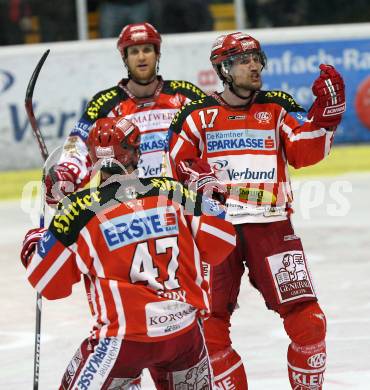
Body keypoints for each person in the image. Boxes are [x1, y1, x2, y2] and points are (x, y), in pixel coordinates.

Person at [166, 32, 346, 389]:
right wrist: (197, 176)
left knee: (309, 321)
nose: (254, 65)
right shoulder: (196, 114)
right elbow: (176, 160)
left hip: (273, 226)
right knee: (209, 325)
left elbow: (301, 151)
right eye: (243, 60)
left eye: (256, 58)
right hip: (215, 231)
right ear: (224, 68)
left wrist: (325, 120)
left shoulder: (277, 106)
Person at [20, 117, 236, 389]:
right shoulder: (173, 191)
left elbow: (49, 285)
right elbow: (221, 245)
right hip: (184, 336)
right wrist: (211, 198)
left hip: (123, 341)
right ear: (137, 151)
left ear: (92, 158)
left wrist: (36, 242)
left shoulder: (77, 210)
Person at [45, 22, 206, 206]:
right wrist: (65, 173)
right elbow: (78, 145)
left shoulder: (186, 94)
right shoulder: (105, 103)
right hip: (124, 203)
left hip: (180, 198)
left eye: (147, 49)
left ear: (158, 54)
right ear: (125, 58)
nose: (141, 57)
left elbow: (210, 139)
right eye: (134, 52)